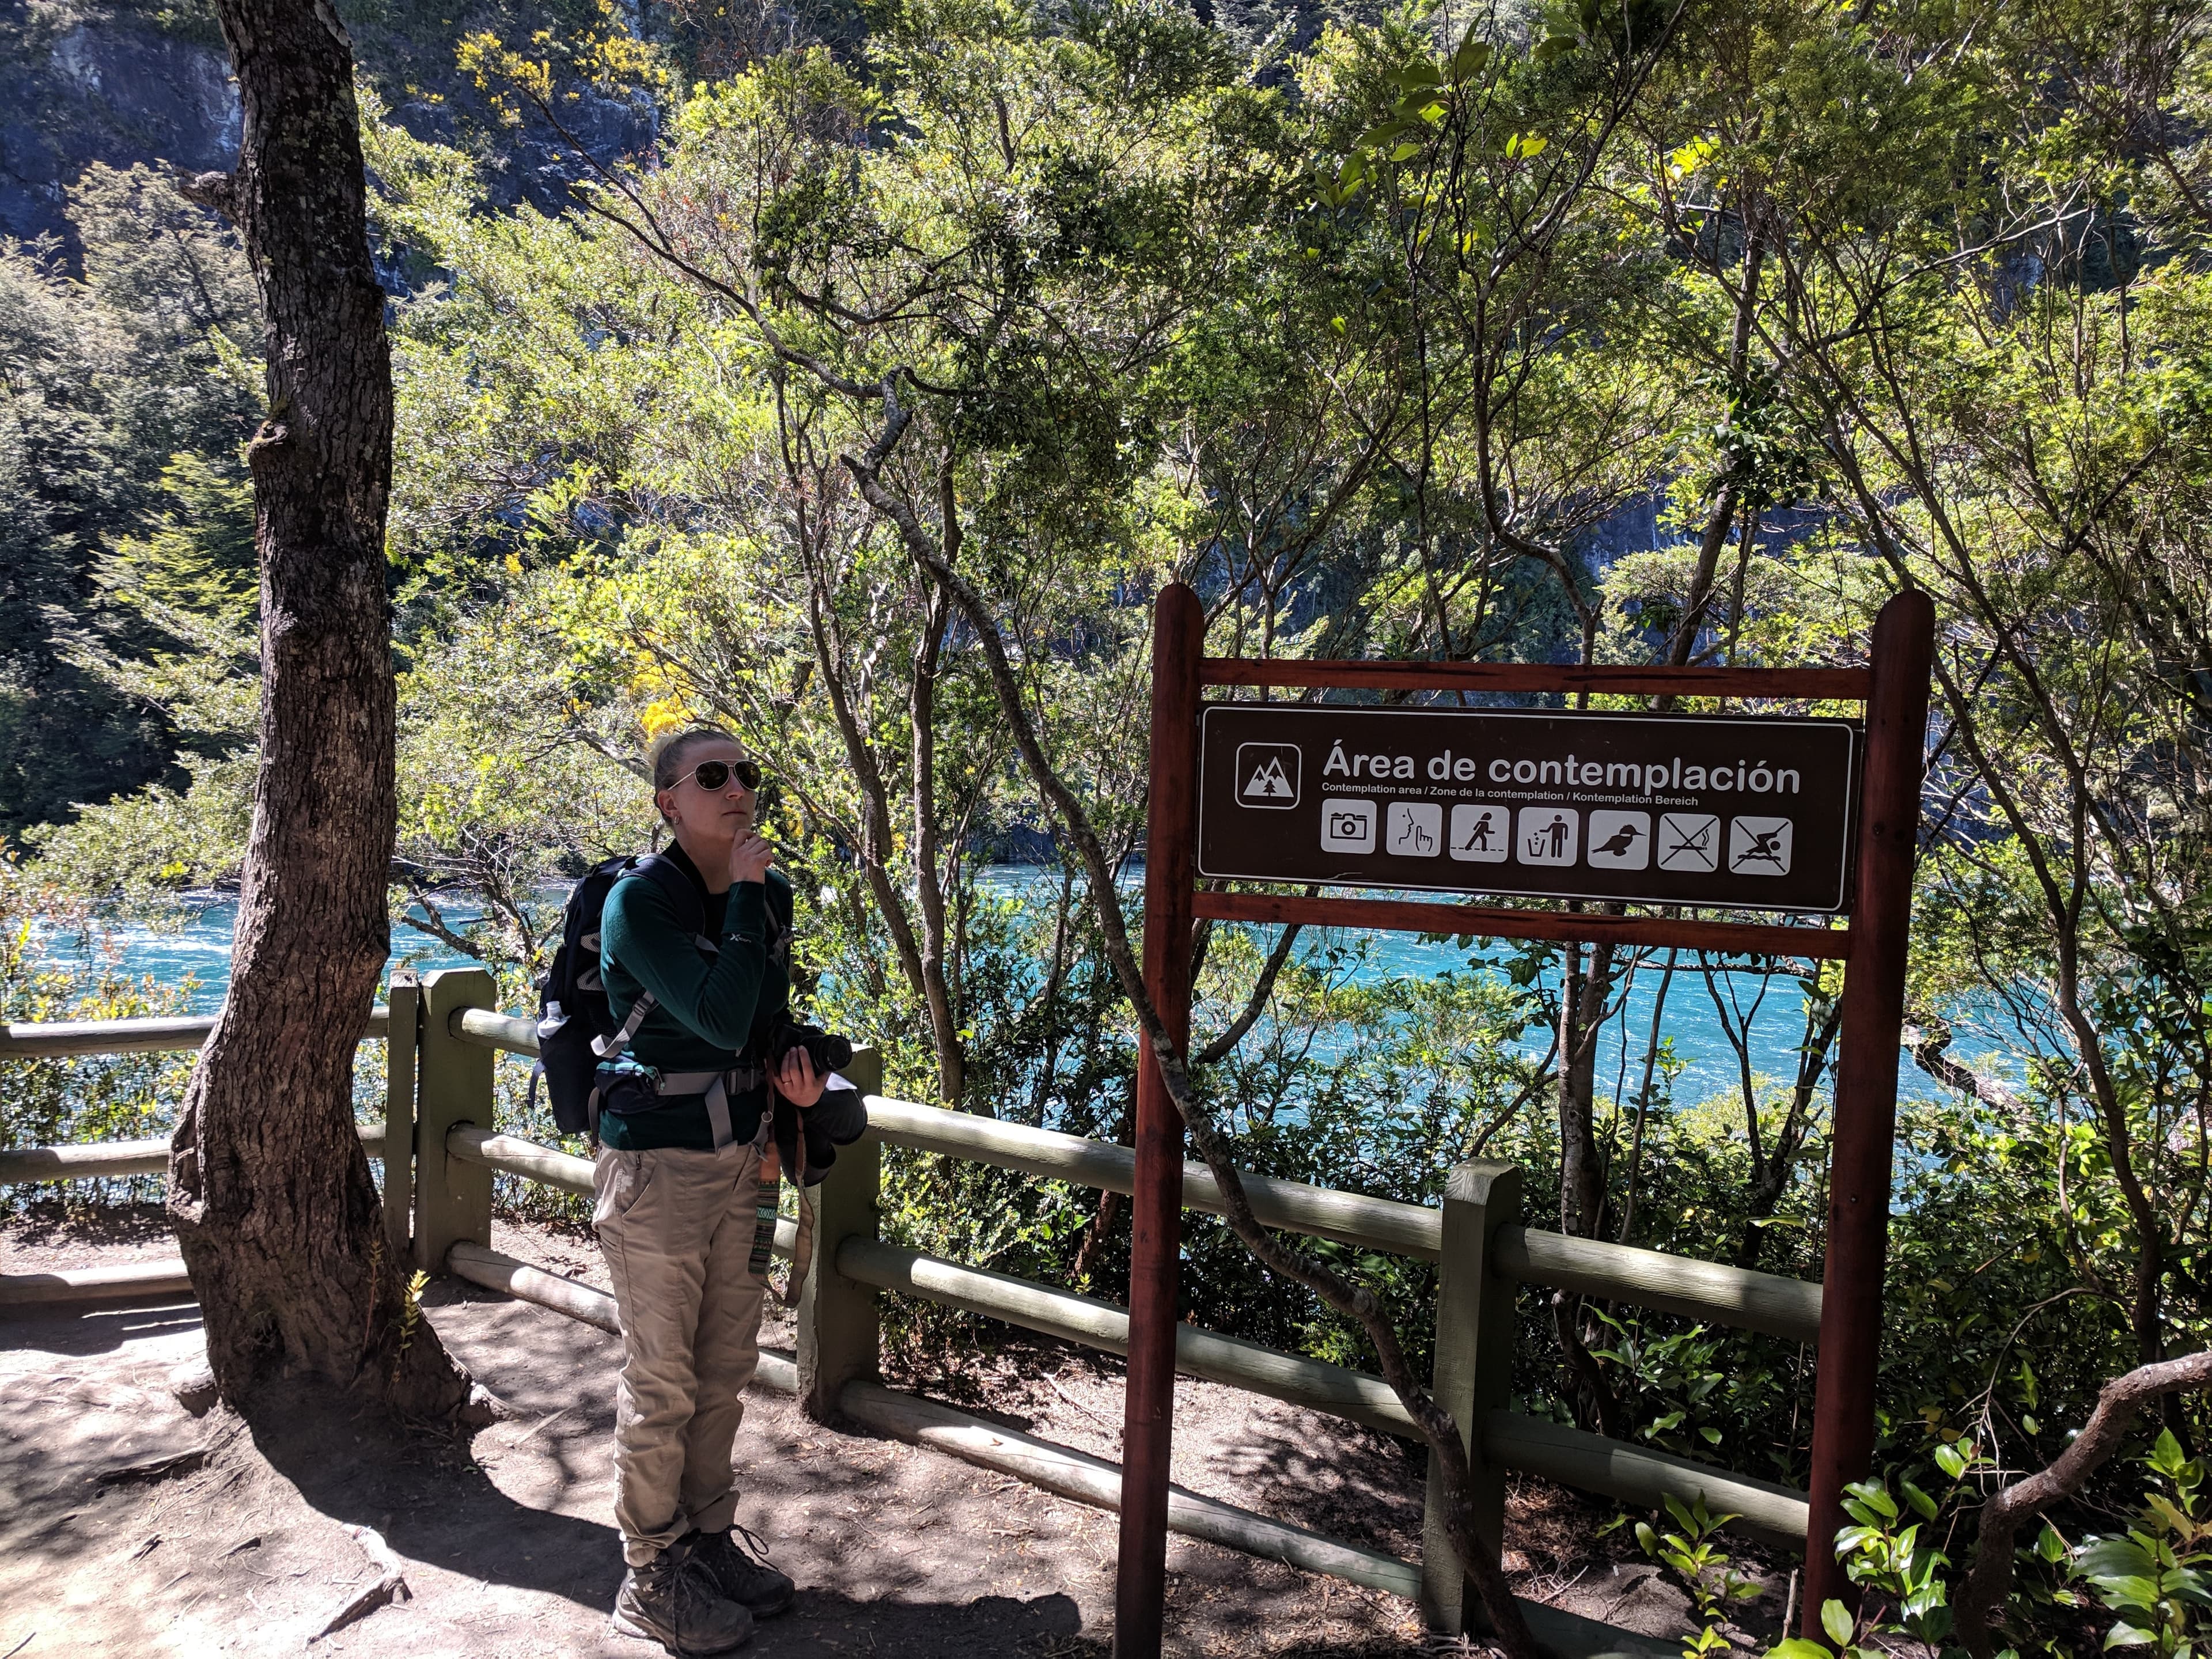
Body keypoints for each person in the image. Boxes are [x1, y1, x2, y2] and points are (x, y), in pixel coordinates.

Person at [594, 725, 822, 1656]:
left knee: (726, 1367)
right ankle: (650, 1576)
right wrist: (750, 896)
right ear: (669, 803)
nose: (738, 790)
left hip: (744, 1159)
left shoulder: (768, 901)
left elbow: (760, 1025)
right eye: (713, 777)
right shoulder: (636, 906)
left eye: (747, 773)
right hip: (656, 1167)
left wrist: (796, 1069)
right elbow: (722, 1017)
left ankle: (706, 1540)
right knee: (662, 1381)